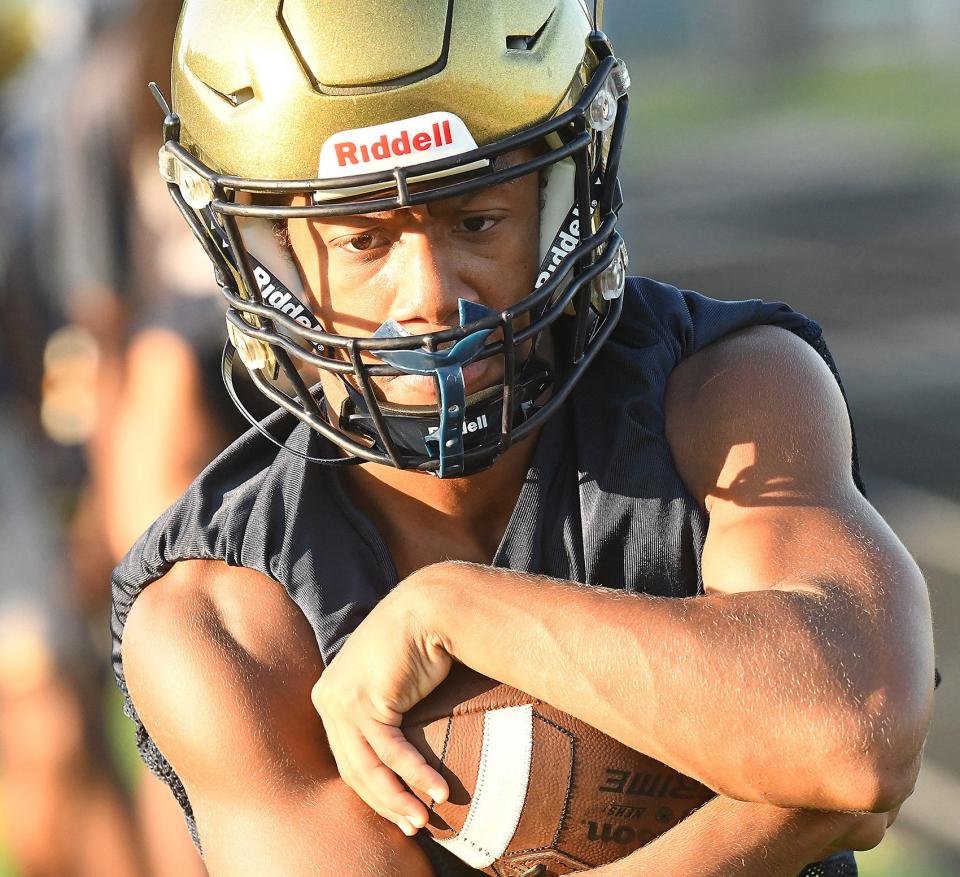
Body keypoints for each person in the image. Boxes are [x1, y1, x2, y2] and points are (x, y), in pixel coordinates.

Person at [112, 1, 935, 875]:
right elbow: (844, 762)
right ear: (267, 259)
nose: (429, 295)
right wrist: (778, 812)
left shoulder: (727, 393)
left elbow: (857, 731)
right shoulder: (221, 614)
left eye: (476, 221)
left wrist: (458, 612)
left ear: (557, 201)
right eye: (359, 238)